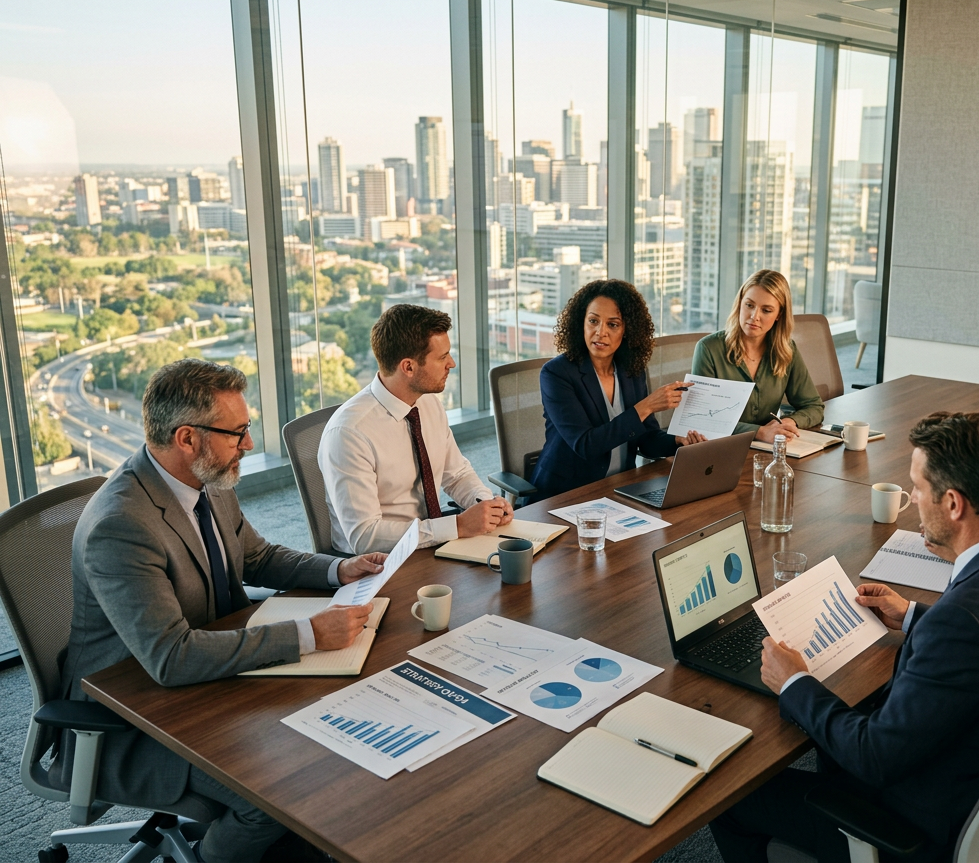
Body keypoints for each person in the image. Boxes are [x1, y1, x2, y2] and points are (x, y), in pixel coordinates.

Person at [711, 412, 979, 863]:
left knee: (734, 798)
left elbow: (875, 755)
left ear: (953, 504)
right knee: (840, 723)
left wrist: (795, 682)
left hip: (922, 828)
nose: (912, 498)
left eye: (917, 487)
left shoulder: (964, 624)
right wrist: (914, 615)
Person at [57, 359, 388, 863]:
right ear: (187, 438)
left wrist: (337, 572)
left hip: (213, 676)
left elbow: (255, 556)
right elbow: (169, 658)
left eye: (246, 429)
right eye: (236, 433)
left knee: (332, 756)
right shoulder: (121, 525)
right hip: (134, 712)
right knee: (278, 801)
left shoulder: (206, 479)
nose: (248, 445)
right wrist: (309, 635)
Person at [320, 304, 513, 553]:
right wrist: (458, 525)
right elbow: (365, 536)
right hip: (379, 563)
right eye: (442, 357)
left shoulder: (428, 403)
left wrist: (488, 504)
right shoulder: (349, 434)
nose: (451, 363)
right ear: (408, 367)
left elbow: (457, 474)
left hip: (431, 541)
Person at [529, 279, 705, 501]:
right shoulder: (556, 374)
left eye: (612, 324)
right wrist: (647, 405)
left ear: (627, 330)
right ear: (580, 323)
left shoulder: (631, 370)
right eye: (593, 321)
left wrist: (677, 441)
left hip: (620, 488)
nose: (600, 332)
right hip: (565, 494)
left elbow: (647, 439)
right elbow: (586, 445)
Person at [691, 269, 824, 442]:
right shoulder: (708, 349)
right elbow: (703, 418)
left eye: (766, 310)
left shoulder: (786, 350)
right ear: (740, 304)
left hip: (766, 448)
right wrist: (760, 432)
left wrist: (788, 422)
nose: (754, 316)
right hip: (721, 448)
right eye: (749, 305)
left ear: (779, 315)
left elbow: (813, 406)